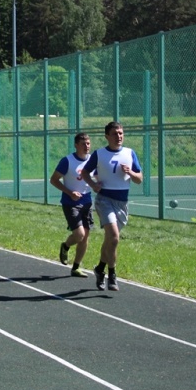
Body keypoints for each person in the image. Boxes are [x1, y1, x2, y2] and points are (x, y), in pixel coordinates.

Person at [81, 121, 143, 292]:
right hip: (104, 200)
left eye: (121, 133)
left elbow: (139, 179)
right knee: (114, 236)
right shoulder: (99, 154)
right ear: (107, 136)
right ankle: (112, 274)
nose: (119, 137)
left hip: (122, 203)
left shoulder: (130, 154)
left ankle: (100, 268)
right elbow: (85, 172)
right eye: (115, 134)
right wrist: (93, 185)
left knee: (110, 240)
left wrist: (130, 173)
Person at [50, 133, 93, 277]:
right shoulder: (67, 161)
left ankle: (76, 267)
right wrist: (69, 192)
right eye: (83, 143)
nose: (86, 146)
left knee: (85, 236)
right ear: (76, 145)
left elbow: (98, 176)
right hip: (71, 202)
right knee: (79, 234)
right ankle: (66, 245)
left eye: (88, 143)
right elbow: (54, 180)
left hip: (87, 202)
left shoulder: (93, 160)